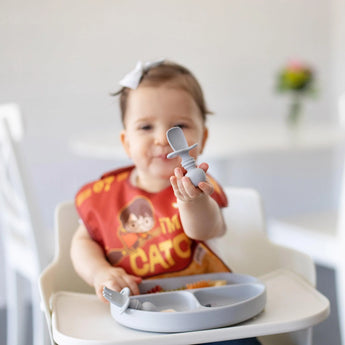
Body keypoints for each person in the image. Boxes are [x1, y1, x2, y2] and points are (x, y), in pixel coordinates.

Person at [71, 60, 261, 345]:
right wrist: (101, 272)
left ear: (202, 137)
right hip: (135, 313)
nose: (162, 138)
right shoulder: (104, 195)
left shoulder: (200, 186)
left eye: (180, 125)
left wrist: (192, 202)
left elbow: (208, 229)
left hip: (205, 310)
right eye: (145, 126)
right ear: (126, 142)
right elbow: (82, 243)